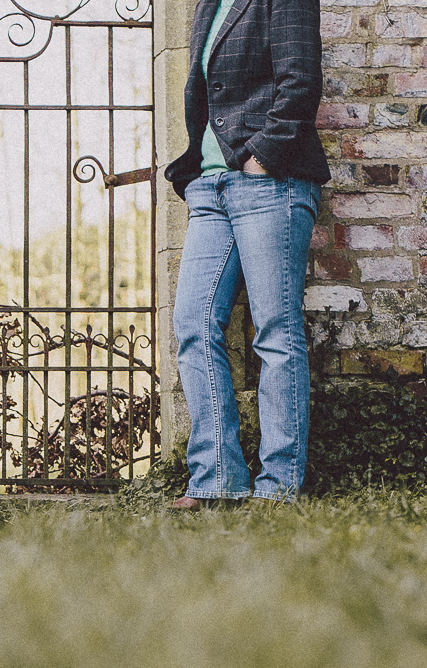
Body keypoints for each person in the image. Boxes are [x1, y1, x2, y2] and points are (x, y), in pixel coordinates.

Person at [164, 0, 329, 508]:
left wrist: (263, 156)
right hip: (211, 187)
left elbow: (300, 80)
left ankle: (279, 486)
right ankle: (217, 478)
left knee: (276, 331)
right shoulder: (208, 5)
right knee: (193, 324)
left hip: (269, 182)